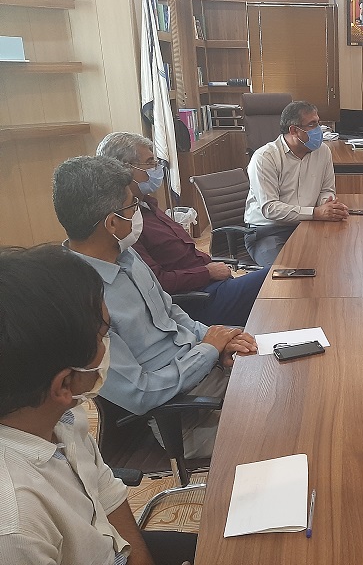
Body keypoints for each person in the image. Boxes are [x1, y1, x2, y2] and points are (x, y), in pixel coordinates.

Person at [0, 244, 198, 565]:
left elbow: (105, 491)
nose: (109, 345)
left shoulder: (60, 414)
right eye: (104, 334)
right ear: (64, 384)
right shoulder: (16, 524)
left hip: (111, 547)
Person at [53, 156, 258, 459]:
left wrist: (218, 339)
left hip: (210, 375)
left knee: (292, 379)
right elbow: (140, 393)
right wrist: (208, 351)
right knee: (291, 425)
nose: (139, 213)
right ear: (112, 223)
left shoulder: (125, 255)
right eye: (132, 207)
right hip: (183, 419)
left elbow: (170, 311)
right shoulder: (79, 300)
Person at [96, 132, 268, 327]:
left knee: (281, 281)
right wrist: (207, 272)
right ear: (125, 168)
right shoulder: (126, 223)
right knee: (275, 277)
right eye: (150, 162)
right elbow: (155, 282)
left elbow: (185, 254)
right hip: (199, 300)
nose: (157, 167)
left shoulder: (147, 205)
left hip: (215, 284)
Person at [243, 100, 349, 268]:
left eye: (318, 122)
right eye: (312, 124)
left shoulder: (323, 151)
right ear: (294, 130)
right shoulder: (265, 158)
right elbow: (270, 208)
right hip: (268, 231)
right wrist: (315, 213)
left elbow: (326, 189)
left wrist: (327, 205)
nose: (319, 130)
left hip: (308, 225)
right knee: (285, 272)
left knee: (337, 260)